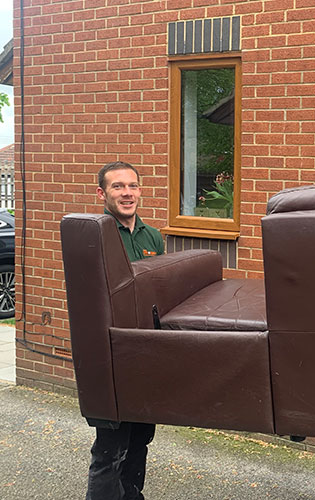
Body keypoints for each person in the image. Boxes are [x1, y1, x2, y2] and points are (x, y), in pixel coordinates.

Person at [86, 161, 164, 500]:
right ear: (102, 193)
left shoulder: (152, 237)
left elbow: (159, 291)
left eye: (132, 186)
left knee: (140, 439)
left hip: (146, 353)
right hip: (112, 357)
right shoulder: (94, 237)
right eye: (118, 186)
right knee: (110, 447)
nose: (127, 193)